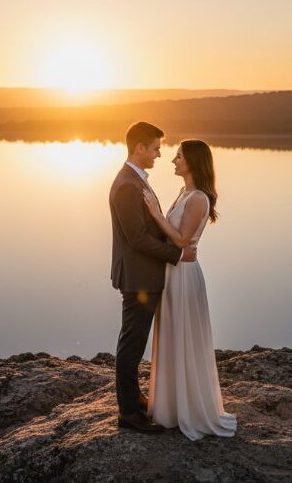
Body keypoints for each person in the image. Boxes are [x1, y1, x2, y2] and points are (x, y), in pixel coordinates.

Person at [143, 139, 237, 440]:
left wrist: (156, 214)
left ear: (193, 162)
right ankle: (170, 406)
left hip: (184, 274)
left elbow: (182, 240)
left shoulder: (197, 198)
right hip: (173, 272)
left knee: (183, 334)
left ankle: (190, 408)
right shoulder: (184, 192)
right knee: (172, 334)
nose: (173, 160)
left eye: (179, 156)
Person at [109, 121, 197, 433]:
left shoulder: (137, 181)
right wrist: (177, 254)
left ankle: (134, 400)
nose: (160, 154)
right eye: (156, 148)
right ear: (139, 148)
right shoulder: (127, 186)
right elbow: (136, 238)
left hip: (144, 276)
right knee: (131, 346)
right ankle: (129, 414)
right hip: (138, 279)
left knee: (134, 343)